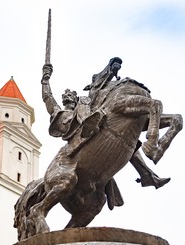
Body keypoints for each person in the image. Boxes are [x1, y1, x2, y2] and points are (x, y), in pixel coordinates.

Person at [41, 63, 170, 189]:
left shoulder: (82, 104)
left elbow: (97, 91)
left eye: (71, 95)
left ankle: (146, 174)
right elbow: (48, 97)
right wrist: (45, 80)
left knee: (130, 141)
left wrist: (111, 72)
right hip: (76, 134)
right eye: (66, 95)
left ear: (74, 98)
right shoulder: (59, 112)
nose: (68, 96)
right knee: (85, 102)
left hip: (92, 125)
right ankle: (88, 122)